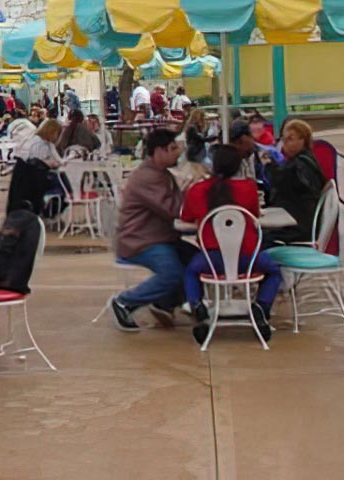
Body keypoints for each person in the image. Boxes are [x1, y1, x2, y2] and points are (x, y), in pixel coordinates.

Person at [181, 146, 280, 344]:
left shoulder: (197, 189)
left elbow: (186, 218)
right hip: (249, 258)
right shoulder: (249, 188)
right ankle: (260, 307)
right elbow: (256, 215)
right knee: (274, 271)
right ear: (239, 166)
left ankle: (198, 308)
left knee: (191, 272)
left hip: (211, 260)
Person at [107, 129, 198, 332]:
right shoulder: (149, 178)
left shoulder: (160, 174)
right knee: (172, 273)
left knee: (199, 261)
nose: (177, 153)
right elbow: (173, 210)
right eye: (173, 148)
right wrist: (188, 191)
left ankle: (164, 303)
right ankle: (125, 302)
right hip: (141, 241)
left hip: (161, 237)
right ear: (159, 151)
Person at [263, 119, 326, 245]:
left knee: (262, 237)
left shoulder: (303, 164)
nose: (285, 142)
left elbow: (283, 181)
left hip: (301, 225)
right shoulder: (302, 160)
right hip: (299, 219)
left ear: (303, 140)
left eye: (290, 139)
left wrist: (269, 166)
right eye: (283, 138)